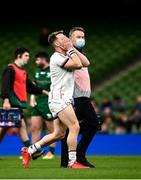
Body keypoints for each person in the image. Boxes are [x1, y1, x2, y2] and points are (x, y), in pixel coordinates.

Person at [21, 30, 90, 169]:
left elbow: (86, 62)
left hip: (61, 98)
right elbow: (77, 65)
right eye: (63, 38)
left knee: (58, 134)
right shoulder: (56, 57)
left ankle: (29, 150)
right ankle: (72, 163)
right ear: (58, 43)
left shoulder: (66, 54)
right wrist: (71, 49)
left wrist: (71, 50)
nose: (67, 39)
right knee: (75, 127)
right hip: (59, 98)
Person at [0, 47, 48, 160]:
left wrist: (42, 91)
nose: (28, 58)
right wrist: (6, 100)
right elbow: (5, 85)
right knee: (20, 124)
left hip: (17, 103)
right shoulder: (10, 69)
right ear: (19, 56)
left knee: (4, 126)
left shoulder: (23, 72)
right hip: (12, 102)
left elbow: (29, 87)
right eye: (26, 55)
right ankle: (31, 150)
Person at [60, 27, 99, 168]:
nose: (81, 39)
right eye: (78, 36)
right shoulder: (67, 55)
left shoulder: (79, 54)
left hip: (84, 98)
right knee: (72, 128)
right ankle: (70, 160)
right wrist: (70, 48)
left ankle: (77, 156)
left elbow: (87, 62)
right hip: (74, 98)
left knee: (91, 125)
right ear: (70, 39)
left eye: (83, 36)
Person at [30, 52, 55, 159]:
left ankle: (51, 152)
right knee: (35, 128)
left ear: (44, 59)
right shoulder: (36, 71)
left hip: (49, 102)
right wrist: (32, 97)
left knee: (52, 129)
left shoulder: (53, 70)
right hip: (37, 102)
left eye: (37, 60)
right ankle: (33, 152)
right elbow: (34, 85)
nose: (36, 62)